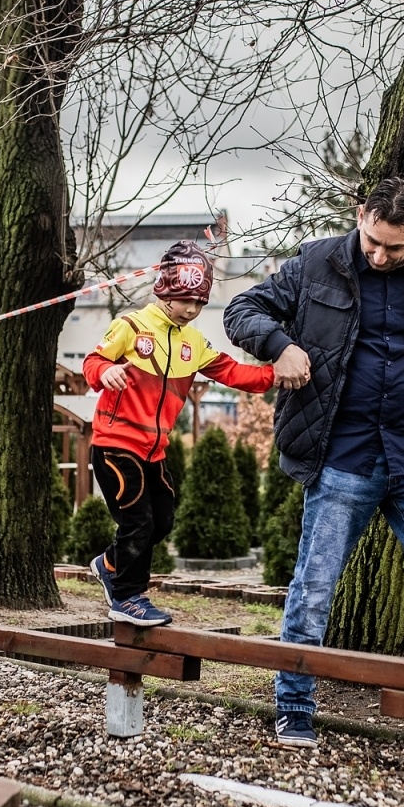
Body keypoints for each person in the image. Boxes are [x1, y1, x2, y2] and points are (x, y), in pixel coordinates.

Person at [224, 176, 404, 748]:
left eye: (394, 247)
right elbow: (242, 310)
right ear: (361, 214)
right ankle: (294, 710)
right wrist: (280, 345)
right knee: (313, 588)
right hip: (341, 456)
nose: (378, 254)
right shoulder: (316, 262)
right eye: (372, 240)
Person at [84, 241, 276, 626]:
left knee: (164, 520)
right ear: (164, 290)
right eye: (184, 299)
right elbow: (93, 361)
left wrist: (279, 375)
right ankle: (126, 596)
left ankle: (108, 564)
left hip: (154, 451)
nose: (191, 309)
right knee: (138, 522)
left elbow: (235, 373)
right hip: (115, 445)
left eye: (199, 302)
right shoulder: (131, 326)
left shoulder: (194, 342)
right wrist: (105, 372)